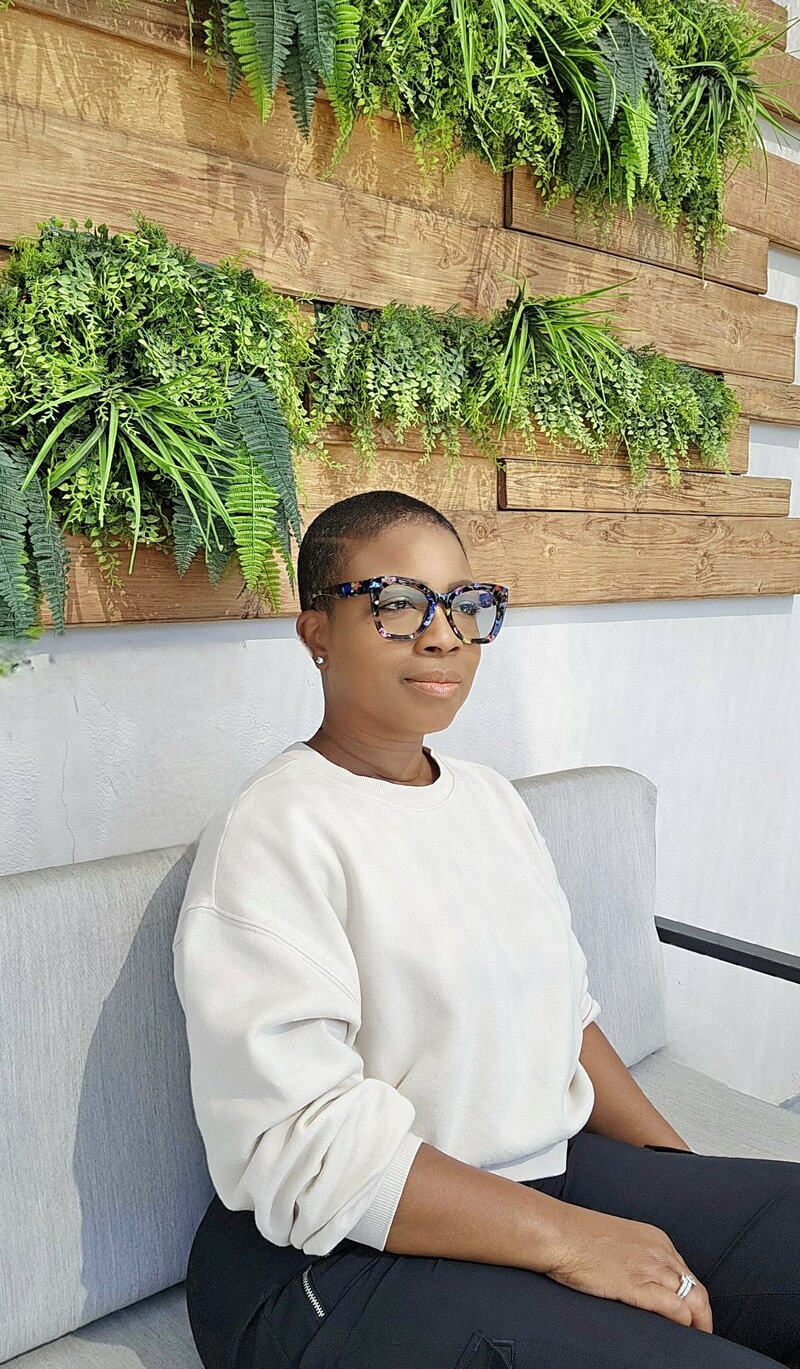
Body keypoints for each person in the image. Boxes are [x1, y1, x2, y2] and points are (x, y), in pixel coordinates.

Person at [173, 489, 800, 1369]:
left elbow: (567, 1018)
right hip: (331, 1259)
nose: (443, 635)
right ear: (316, 632)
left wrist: (680, 1181)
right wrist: (577, 1241)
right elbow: (306, 1146)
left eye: (465, 604)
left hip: (540, 1171)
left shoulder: (491, 799)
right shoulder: (275, 830)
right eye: (397, 603)